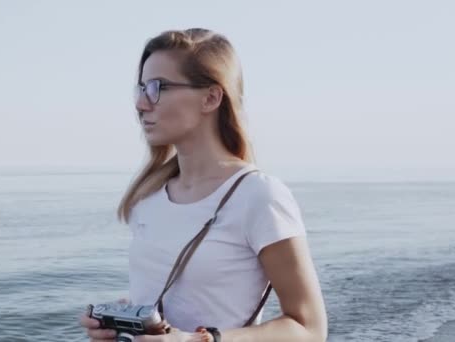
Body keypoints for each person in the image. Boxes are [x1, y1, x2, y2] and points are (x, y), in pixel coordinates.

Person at [79, 28, 328, 342]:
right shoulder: (149, 197)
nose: (142, 103)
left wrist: (201, 340)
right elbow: (168, 305)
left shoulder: (259, 196)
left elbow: (310, 329)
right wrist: (122, 323)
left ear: (211, 97)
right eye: (141, 88)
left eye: (158, 87)